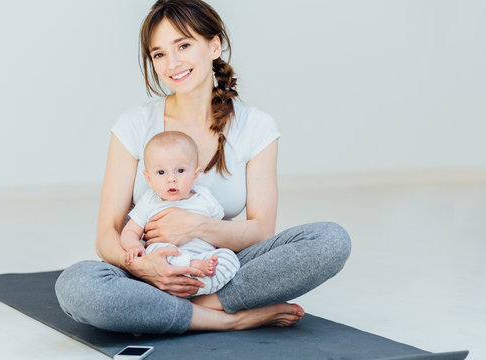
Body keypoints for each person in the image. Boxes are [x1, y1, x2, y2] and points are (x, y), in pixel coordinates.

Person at [55, 0, 352, 335]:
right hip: (149, 270)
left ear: (214, 45)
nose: (172, 63)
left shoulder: (256, 127)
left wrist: (195, 227)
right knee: (77, 285)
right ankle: (231, 318)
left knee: (330, 241)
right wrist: (143, 268)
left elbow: (259, 232)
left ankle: (163, 312)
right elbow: (107, 235)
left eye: (183, 45)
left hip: (216, 265)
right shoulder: (134, 125)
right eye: (159, 54)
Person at [120, 130, 240, 296]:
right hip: (167, 264)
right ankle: (195, 273)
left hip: (205, 257)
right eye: (161, 173)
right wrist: (134, 246)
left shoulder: (204, 197)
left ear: (195, 175)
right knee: (157, 248)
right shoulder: (150, 200)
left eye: (181, 171)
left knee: (229, 257)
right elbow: (130, 231)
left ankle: (199, 288)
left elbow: (220, 229)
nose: (171, 179)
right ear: (148, 179)